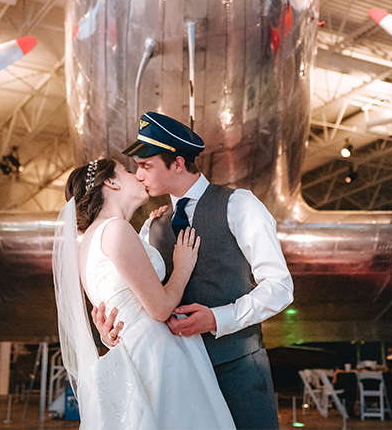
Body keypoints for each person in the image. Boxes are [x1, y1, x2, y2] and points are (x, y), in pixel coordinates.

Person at [93, 112, 294, 429]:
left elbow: (280, 287)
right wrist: (114, 332)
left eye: (146, 166)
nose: (138, 174)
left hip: (237, 371)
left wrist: (218, 318)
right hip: (175, 380)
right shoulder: (150, 226)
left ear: (177, 163)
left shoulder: (239, 205)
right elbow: (143, 300)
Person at [53, 157, 234, 429]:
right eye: (126, 171)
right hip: (159, 355)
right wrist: (182, 267)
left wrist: (148, 231)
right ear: (111, 182)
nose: (137, 175)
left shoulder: (89, 242)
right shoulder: (115, 230)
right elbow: (160, 308)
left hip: (135, 352)